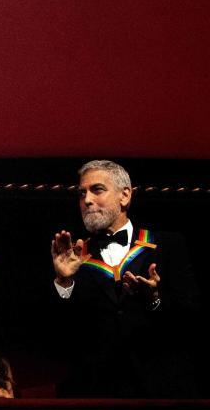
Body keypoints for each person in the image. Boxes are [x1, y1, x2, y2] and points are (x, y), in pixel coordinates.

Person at [50, 160, 200, 397]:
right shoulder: (72, 256)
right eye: (81, 193)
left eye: (97, 190)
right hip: (95, 395)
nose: (86, 200)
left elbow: (192, 318)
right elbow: (59, 338)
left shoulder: (168, 245)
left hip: (160, 393)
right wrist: (64, 283)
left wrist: (155, 300)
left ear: (125, 196)